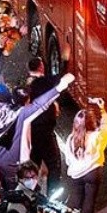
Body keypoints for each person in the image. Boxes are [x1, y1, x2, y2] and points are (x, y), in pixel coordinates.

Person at [63, 98, 107, 213]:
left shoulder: (71, 139)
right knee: (90, 199)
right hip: (93, 172)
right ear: (91, 122)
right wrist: (102, 110)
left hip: (76, 174)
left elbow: (68, 159)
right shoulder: (97, 137)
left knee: (77, 199)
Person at [25, 57, 63, 194]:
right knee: (54, 165)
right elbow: (61, 80)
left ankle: (32, 196)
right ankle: (52, 197)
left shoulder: (24, 84)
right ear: (41, 67)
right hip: (45, 131)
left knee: (34, 163)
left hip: (30, 132)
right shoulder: (44, 82)